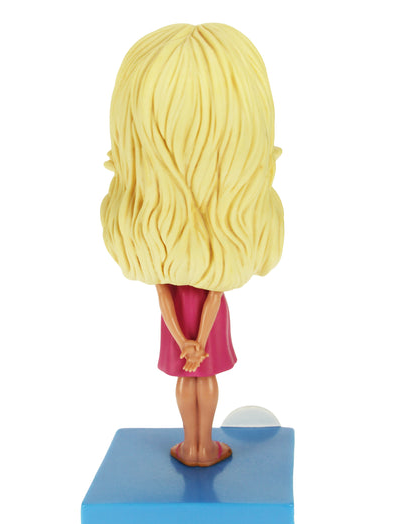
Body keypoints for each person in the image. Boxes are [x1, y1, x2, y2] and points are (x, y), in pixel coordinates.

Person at [100, 23, 284, 467]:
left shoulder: (157, 241)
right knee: (206, 374)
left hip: (179, 319)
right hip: (205, 319)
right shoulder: (222, 246)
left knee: (188, 376)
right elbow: (214, 294)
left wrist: (184, 340)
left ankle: (191, 445)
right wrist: (198, 340)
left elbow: (164, 294)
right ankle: (202, 447)